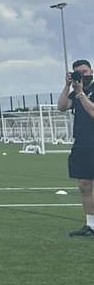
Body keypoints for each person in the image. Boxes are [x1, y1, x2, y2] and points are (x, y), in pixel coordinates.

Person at [57, 57, 94, 237]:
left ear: (91, 72)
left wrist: (80, 92)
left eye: (84, 72)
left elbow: (93, 112)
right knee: (84, 184)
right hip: (82, 144)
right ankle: (91, 225)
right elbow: (62, 107)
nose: (82, 75)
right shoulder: (75, 92)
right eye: (78, 73)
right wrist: (67, 86)